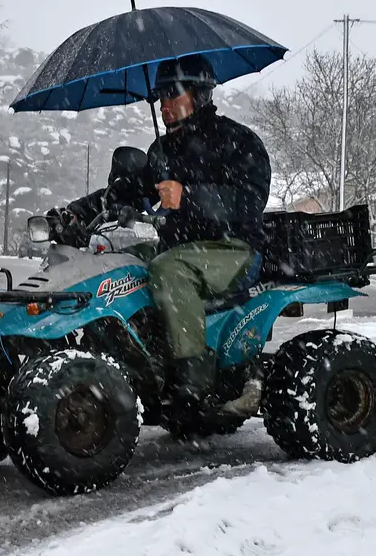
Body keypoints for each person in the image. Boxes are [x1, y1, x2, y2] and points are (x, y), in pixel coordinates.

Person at [46, 54, 272, 405]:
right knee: (115, 265)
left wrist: (189, 197)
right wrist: (75, 213)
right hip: (179, 247)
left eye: (172, 95)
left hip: (234, 250)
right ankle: (131, 357)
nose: (164, 105)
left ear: (199, 95)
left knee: (168, 270)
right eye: (160, 97)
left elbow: (250, 202)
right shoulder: (163, 150)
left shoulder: (238, 141)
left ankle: (193, 381)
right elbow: (128, 190)